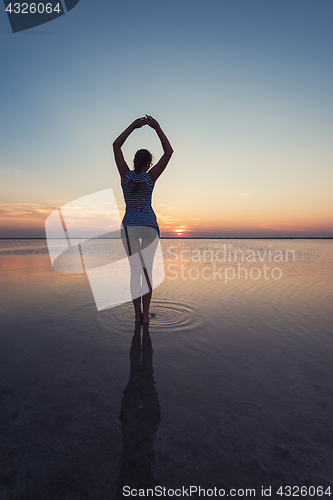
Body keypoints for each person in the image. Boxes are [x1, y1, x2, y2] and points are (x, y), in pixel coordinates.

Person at [113, 115, 173, 323]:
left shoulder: (125, 176)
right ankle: (146, 316)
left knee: (134, 272)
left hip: (129, 227)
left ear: (134, 162)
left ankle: (137, 315)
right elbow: (169, 152)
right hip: (148, 227)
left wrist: (133, 126)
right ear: (148, 163)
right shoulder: (150, 177)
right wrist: (156, 127)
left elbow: (116, 145)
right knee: (147, 271)